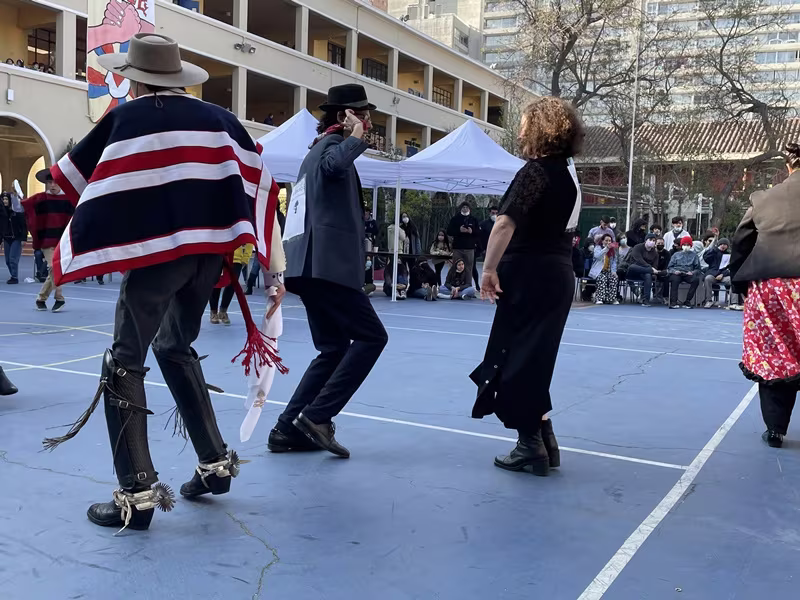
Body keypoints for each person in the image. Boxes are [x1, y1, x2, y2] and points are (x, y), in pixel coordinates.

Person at [41, 34, 286, 532]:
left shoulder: (128, 118)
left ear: (134, 79)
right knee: (176, 346)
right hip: (209, 260)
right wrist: (275, 269)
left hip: (157, 257)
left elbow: (71, 177)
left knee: (124, 359)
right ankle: (216, 465)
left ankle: (137, 495)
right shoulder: (222, 121)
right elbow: (260, 185)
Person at [276, 83, 389, 458]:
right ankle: (317, 416)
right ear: (345, 116)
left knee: (334, 348)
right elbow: (335, 165)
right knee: (372, 337)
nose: (368, 123)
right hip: (327, 267)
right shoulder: (330, 147)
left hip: (312, 267)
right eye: (364, 116)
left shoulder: (316, 150)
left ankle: (286, 429)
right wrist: (354, 138)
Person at [471, 97, 582, 476]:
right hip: (557, 275)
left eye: (523, 127)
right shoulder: (569, 176)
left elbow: (505, 223)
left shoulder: (535, 172)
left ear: (540, 131)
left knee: (514, 356)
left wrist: (488, 269)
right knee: (534, 357)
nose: (519, 134)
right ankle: (543, 439)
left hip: (529, 274)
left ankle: (530, 444)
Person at [730, 143, 800, 448]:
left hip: (770, 287)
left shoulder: (763, 199)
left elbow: (741, 242)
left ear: (789, 166)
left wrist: (740, 284)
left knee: (774, 355)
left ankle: (775, 430)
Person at [21, 168, 75, 311]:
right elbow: (23, 206)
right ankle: (59, 298)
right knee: (54, 268)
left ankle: (41, 299)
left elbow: (75, 218)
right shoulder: (40, 198)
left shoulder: (68, 200)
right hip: (47, 241)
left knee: (56, 271)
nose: (52, 185)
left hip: (63, 242)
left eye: (55, 182)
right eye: (50, 182)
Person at [209, 243, 253, 324]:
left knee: (232, 285)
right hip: (219, 255)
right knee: (216, 284)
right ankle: (213, 312)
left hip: (236, 259)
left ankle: (223, 311)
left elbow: (249, 240)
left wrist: (246, 257)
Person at [447, 200, 481, 287]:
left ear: (469, 209)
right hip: (457, 247)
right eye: (463, 207)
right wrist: (459, 230)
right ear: (460, 208)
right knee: (456, 265)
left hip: (469, 248)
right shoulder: (455, 219)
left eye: (467, 207)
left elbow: (479, 232)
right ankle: (454, 284)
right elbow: (449, 231)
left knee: (469, 267)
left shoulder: (474, 219)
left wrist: (472, 231)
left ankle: (468, 285)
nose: (465, 209)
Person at [702, 238, 740, 309]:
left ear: (727, 246)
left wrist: (722, 274)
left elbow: (730, 267)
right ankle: (708, 300)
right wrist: (714, 248)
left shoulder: (729, 255)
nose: (723, 246)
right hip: (713, 275)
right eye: (721, 244)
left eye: (725, 244)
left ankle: (734, 302)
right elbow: (706, 257)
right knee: (707, 279)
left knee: (734, 280)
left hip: (724, 276)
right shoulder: (713, 253)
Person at [667, 235, 701, 309]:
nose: (686, 246)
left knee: (695, 280)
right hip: (677, 273)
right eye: (684, 244)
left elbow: (698, 269)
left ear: (691, 246)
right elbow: (669, 267)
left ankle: (688, 301)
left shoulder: (694, 256)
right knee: (675, 280)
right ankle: (673, 302)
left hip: (688, 273)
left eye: (688, 245)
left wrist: (692, 272)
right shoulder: (676, 255)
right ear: (681, 245)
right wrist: (674, 271)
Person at [626, 233, 660, 306]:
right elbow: (639, 260)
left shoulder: (655, 253)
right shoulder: (637, 247)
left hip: (644, 273)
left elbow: (655, 266)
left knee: (648, 275)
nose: (652, 242)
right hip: (634, 271)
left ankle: (646, 300)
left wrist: (651, 269)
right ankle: (649, 271)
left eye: (654, 240)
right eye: (650, 240)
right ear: (645, 240)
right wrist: (650, 268)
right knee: (632, 267)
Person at [1, 191, 27, 284]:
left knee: (13, 258)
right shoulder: (2, 213)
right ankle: (12, 274)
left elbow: (23, 225)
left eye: (6, 199)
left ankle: (14, 277)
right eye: (3, 199)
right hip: (6, 238)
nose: (4, 201)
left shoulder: (16, 211)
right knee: (7, 260)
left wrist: (24, 238)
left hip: (16, 238)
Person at [589, 234, 619, 305]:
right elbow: (597, 256)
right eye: (606, 240)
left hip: (608, 271)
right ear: (602, 241)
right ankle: (599, 298)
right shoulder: (598, 247)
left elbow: (614, 262)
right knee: (602, 278)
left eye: (610, 241)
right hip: (598, 271)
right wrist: (606, 249)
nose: (608, 242)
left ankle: (611, 299)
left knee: (614, 278)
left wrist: (614, 271)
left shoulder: (612, 250)